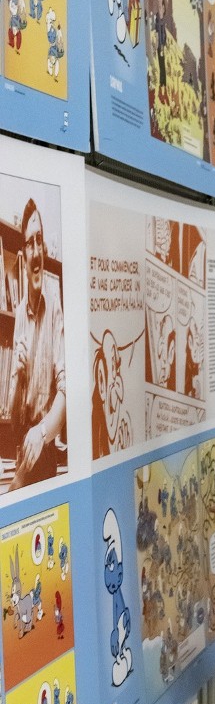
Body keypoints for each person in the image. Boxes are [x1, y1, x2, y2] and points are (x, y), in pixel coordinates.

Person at [5, 198, 66, 492]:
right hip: (21, 450)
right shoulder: (17, 313)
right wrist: (16, 377)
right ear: (24, 255)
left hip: (45, 451)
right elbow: (15, 419)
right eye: (30, 243)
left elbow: (65, 393)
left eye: (39, 240)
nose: (36, 250)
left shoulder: (55, 306)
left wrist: (41, 433)